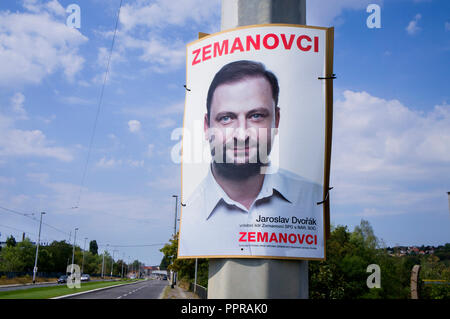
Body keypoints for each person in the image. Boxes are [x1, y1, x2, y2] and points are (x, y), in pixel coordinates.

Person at [178, 60, 323, 258]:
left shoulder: (314, 199)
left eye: (256, 116)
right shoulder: (190, 217)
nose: (241, 135)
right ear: (206, 126)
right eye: (226, 118)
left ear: (276, 120)